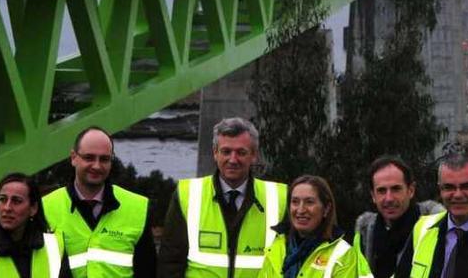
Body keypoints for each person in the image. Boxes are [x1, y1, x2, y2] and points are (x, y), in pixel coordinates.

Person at [158, 117, 288, 278]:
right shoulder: (187, 194)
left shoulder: (280, 197)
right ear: (215, 153)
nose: (233, 160)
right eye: (226, 152)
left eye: (241, 152)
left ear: (254, 155)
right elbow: (170, 264)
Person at [43, 126, 156, 277]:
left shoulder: (138, 208)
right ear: (73, 157)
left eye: (104, 159)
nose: (96, 166)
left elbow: (147, 271)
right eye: (89, 158)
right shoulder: (45, 207)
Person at [0, 172, 71, 278]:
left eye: (16, 201)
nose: (7, 208)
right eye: (3, 200)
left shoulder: (54, 246)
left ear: (33, 208)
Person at [259, 175, 369, 278]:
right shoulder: (276, 246)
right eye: (295, 202)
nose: (301, 210)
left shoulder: (343, 253)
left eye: (309, 202)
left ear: (326, 209)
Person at [353, 156, 443, 278]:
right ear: (373, 195)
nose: (389, 198)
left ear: (411, 190)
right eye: (381, 191)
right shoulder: (364, 236)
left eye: (396, 189)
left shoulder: (437, 228)